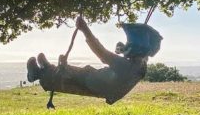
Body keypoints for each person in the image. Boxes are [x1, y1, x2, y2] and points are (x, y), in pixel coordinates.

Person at [26, 16, 162, 105]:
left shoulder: (126, 66)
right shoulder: (140, 65)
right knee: (81, 71)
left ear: (135, 50)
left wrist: (85, 29)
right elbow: (122, 57)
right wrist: (123, 49)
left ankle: (39, 73)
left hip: (99, 84)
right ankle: (45, 68)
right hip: (110, 87)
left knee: (83, 73)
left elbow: (102, 54)